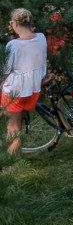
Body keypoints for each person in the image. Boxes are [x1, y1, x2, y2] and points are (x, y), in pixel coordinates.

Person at [1, 8, 47, 154]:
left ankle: (10, 163)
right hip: (33, 89)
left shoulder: (13, 45)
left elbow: (6, 71)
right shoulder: (41, 37)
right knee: (17, 122)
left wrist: (1, 83)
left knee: (14, 129)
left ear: (15, 23)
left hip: (14, 91)